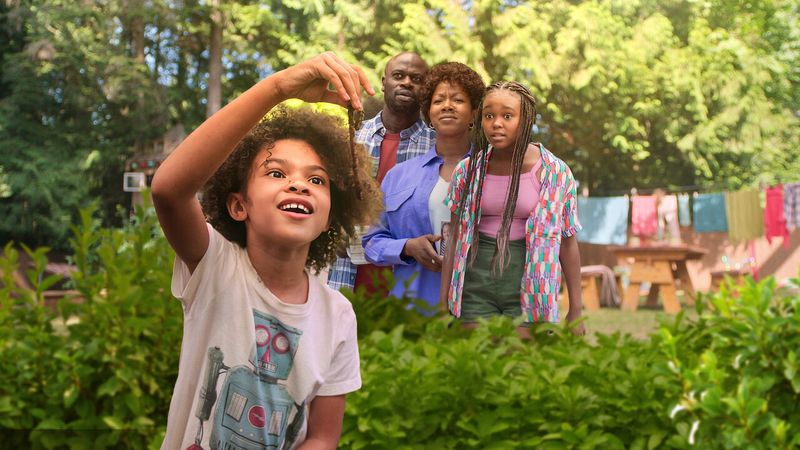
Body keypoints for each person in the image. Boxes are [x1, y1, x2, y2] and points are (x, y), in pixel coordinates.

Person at [150, 52, 382, 450]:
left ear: (330, 218)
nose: (299, 185)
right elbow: (168, 190)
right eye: (276, 173)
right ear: (239, 205)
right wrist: (277, 89)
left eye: (317, 180)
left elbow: (323, 436)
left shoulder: (338, 316)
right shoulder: (215, 267)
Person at [439, 81, 585, 336]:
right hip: (475, 281)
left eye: (507, 116)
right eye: (489, 116)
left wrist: (576, 310)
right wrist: (444, 303)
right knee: (477, 354)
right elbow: (454, 237)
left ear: (525, 120)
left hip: (531, 283)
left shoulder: (555, 172)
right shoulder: (467, 171)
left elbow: (568, 243)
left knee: (522, 356)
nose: (496, 123)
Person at [361, 62, 485, 310]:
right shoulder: (398, 176)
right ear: (428, 113)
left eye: (458, 100)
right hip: (411, 310)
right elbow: (371, 242)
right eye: (439, 100)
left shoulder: (490, 173)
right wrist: (407, 247)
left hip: (477, 309)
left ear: (474, 112)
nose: (447, 105)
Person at [327, 52, 436, 294]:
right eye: (398, 75)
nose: (407, 82)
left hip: (410, 285)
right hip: (345, 278)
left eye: (416, 79)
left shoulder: (437, 148)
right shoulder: (350, 140)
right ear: (384, 83)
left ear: (426, 90)